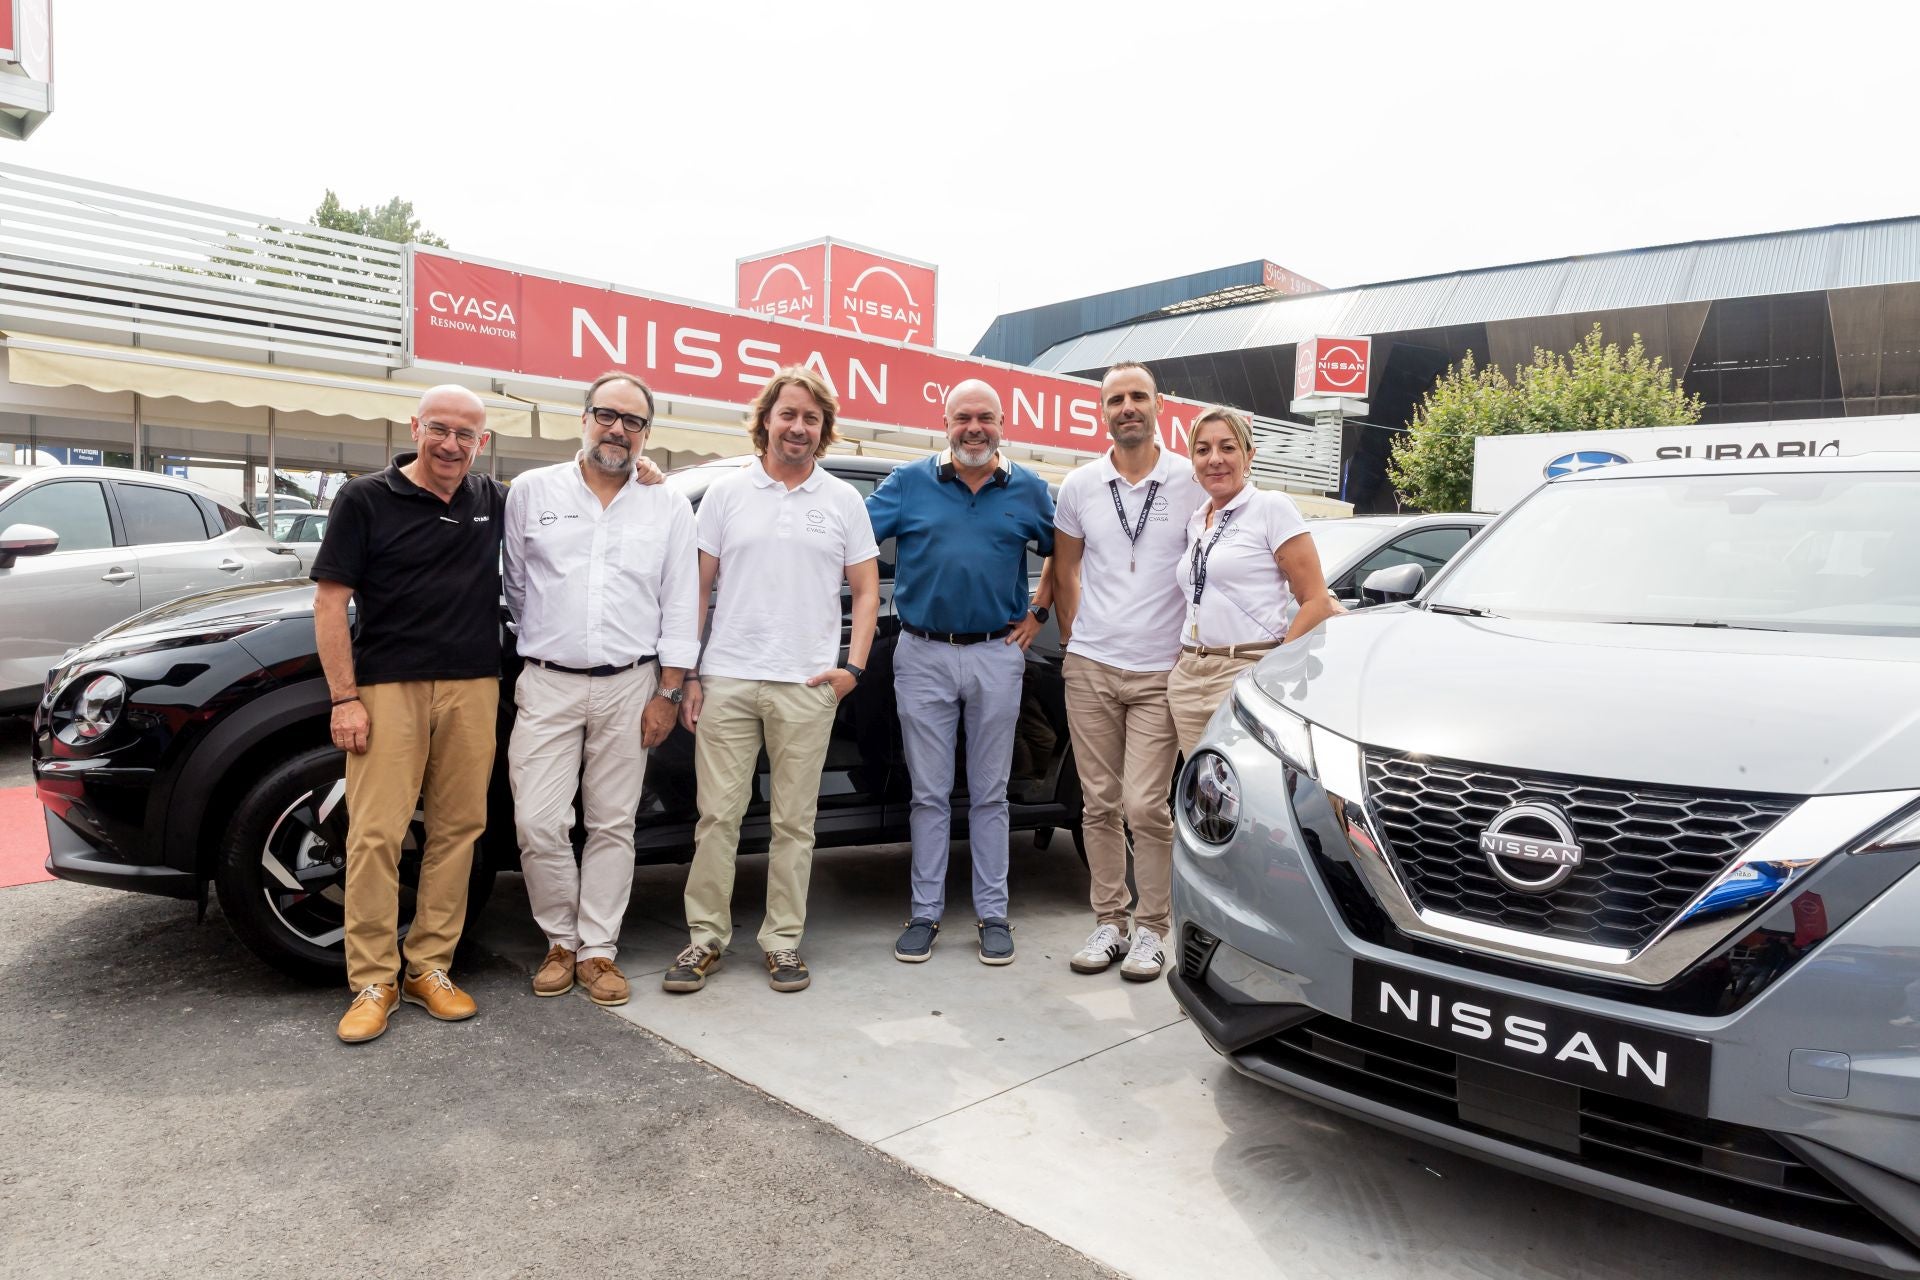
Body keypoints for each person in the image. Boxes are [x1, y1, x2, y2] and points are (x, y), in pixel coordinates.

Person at [662, 366, 879, 995]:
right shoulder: (729, 494)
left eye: (811, 418)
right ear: (766, 420)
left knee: (794, 824)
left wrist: (852, 668)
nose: (799, 427)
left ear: (823, 429)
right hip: (727, 679)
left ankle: (783, 942)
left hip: (807, 685)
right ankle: (704, 939)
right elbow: (696, 588)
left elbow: (866, 592)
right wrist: (692, 672)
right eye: (788, 414)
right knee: (717, 819)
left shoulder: (842, 501)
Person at [313, 385, 506, 1044]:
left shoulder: (492, 499)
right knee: (375, 833)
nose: (451, 444)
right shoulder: (365, 498)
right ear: (416, 427)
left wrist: (649, 474)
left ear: (481, 442)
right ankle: (373, 979)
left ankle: (429, 967)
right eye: (440, 429)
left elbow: (575, 497)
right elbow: (330, 602)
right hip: (388, 686)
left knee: (459, 829)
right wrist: (344, 697)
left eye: (466, 434)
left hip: (473, 684)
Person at [503, 372, 698, 1009]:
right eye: (607, 415)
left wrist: (668, 691)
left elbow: (679, 599)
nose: (618, 430)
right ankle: (558, 939)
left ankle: (597, 950)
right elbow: (515, 586)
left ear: (647, 434)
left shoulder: (666, 503)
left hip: (631, 684)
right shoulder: (532, 491)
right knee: (538, 821)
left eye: (634, 421)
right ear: (583, 417)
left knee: (614, 823)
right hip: (548, 681)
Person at [866, 380, 1055, 966]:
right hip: (921, 654)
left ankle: (993, 915)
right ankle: (924, 915)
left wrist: (1039, 610)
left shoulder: (1028, 489)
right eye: (963, 418)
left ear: (1003, 422)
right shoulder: (907, 483)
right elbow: (845, 532)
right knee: (928, 795)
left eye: (985, 418)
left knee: (992, 794)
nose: (974, 428)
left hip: (997, 653)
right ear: (944, 422)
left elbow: (1066, 550)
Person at [1049, 362, 1203, 983]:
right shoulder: (1080, 485)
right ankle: (1108, 922)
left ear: (1158, 406)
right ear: (1102, 411)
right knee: (1097, 803)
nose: (1127, 407)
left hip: (1160, 672)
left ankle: (1152, 929)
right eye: (1116, 399)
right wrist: (1074, 641)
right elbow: (1066, 570)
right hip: (1091, 667)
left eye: (1138, 396)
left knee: (1146, 805)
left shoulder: (1192, 480)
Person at [1168, 407, 1336, 755]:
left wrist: (1271, 671)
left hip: (1243, 671)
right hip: (1188, 676)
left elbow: (1317, 602)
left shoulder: (1271, 507)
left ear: (1249, 456)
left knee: (1244, 796)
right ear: (1193, 463)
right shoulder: (1197, 521)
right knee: (1202, 795)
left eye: (1227, 448)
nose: (1215, 459)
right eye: (1203, 450)